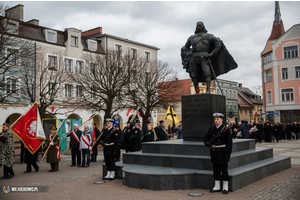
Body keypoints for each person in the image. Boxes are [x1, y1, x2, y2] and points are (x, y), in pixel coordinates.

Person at [181, 21, 237, 93]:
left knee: (207, 72)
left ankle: (208, 90)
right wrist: (188, 55)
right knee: (194, 74)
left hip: (204, 56)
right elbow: (186, 48)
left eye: (200, 25)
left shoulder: (209, 36)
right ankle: (196, 91)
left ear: (203, 26)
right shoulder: (191, 38)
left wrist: (211, 54)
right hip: (194, 57)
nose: (199, 27)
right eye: (198, 25)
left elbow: (218, 45)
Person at [203, 113, 232, 194]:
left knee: (224, 170)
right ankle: (217, 186)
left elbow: (229, 143)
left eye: (218, 119)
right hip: (214, 152)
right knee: (216, 170)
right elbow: (205, 138)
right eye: (215, 119)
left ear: (222, 120)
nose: (216, 121)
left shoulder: (226, 130)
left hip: (222, 152)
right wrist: (207, 143)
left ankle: (225, 186)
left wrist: (227, 155)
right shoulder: (211, 129)